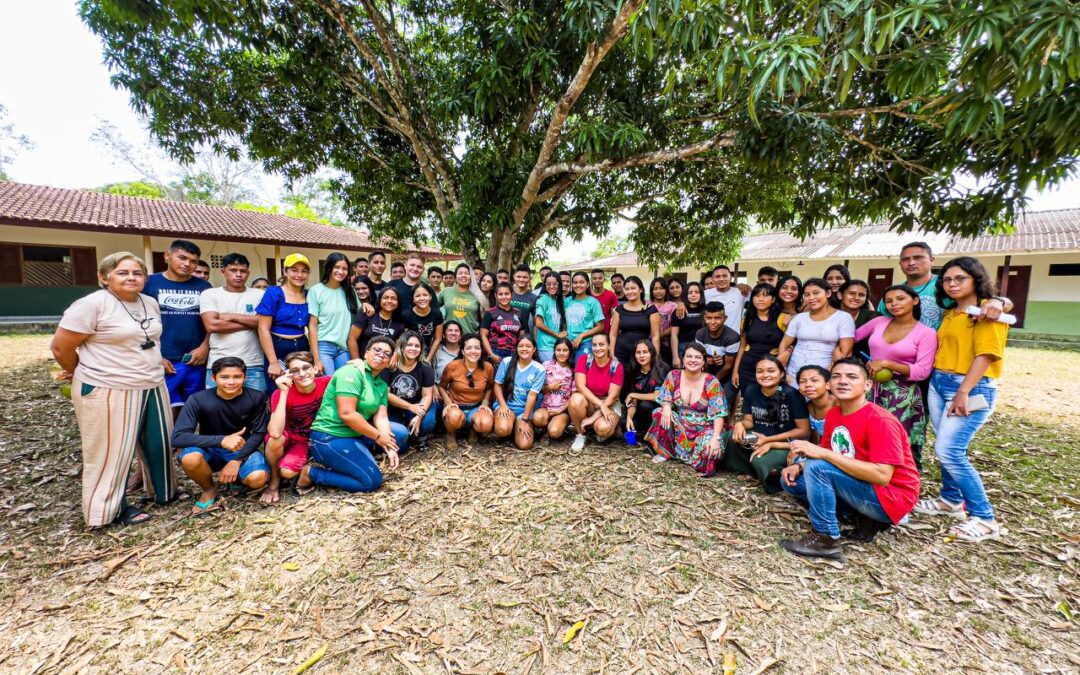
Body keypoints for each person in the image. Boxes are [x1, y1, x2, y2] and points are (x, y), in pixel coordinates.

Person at [51, 252, 176, 527]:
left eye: (137, 273)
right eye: (122, 272)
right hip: (109, 385)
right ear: (103, 277)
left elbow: (150, 339)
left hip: (151, 382)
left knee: (160, 443)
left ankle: (163, 493)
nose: (131, 277)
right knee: (112, 451)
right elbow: (61, 347)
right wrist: (81, 371)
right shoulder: (92, 304)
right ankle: (107, 511)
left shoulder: (149, 303)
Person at [780, 358, 921, 560]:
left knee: (817, 467)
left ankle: (826, 539)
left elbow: (882, 475)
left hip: (890, 496)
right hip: (861, 484)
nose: (843, 381)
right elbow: (831, 452)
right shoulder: (835, 414)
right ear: (829, 384)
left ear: (867, 385)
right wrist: (800, 466)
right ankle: (861, 518)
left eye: (852, 377)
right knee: (792, 481)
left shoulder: (880, 420)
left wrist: (819, 456)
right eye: (836, 376)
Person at [914, 257, 1009, 542]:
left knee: (950, 450)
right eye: (947, 280)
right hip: (939, 382)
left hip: (971, 387)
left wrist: (964, 392)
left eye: (960, 278)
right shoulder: (954, 312)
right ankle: (950, 501)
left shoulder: (988, 313)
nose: (952, 284)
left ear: (976, 279)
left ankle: (985, 518)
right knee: (945, 445)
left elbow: (986, 355)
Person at [295, 336, 408, 494]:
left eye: (387, 354)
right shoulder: (352, 372)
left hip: (355, 434)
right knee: (371, 482)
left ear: (389, 361)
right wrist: (378, 437)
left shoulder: (381, 384)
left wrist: (388, 444)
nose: (381, 355)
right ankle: (312, 473)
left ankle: (355, 458)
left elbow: (381, 417)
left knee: (399, 434)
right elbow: (347, 414)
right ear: (366, 353)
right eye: (377, 350)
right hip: (329, 437)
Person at [857, 285, 938, 470]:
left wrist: (887, 364)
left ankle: (906, 482)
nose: (894, 304)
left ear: (915, 300)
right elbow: (852, 337)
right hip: (870, 389)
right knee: (868, 433)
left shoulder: (926, 333)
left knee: (898, 439)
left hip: (902, 394)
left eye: (900, 298)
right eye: (889, 300)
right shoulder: (879, 322)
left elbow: (922, 371)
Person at [175, 357, 270, 515]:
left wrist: (236, 460)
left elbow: (260, 432)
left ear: (245, 377)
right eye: (224, 377)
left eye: (237, 377)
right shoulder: (198, 399)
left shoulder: (256, 397)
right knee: (190, 458)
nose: (231, 382)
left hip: (241, 448)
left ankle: (237, 479)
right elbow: (178, 437)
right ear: (213, 378)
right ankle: (209, 489)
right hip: (210, 449)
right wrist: (222, 440)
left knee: (257, 478)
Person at [721, 356, 810, 492]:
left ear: (781, 374)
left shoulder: (791, 394)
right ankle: (755, 468)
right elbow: (749, 421)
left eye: (771, 371)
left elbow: (804, 431)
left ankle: (775, 473)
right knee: (729, 437)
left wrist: (768, 440)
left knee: (760, 460)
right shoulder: (752, 390)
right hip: (758, 438)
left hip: (784, 444)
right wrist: (740, 424)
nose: (765, 375)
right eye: (760, 371)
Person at [142, 239, 212, 413]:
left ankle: (185, 440)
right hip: (162, 358)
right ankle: (165, 440)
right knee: (163, 408)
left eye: (193, 261)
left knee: (191, 408)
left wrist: (205, 347)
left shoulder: (204, 287)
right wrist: (155, 355)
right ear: (167, 256)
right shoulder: (148, 284)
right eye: (182, 258)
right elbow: (137, 323)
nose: (188, 264)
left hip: (196, 359)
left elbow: (211, 321)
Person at [645, 342, 727, 475]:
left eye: (697, 357)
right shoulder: (674, 375)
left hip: (704, 429)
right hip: (681, 425)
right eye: (689, 356)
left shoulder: (711, 382)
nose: (693, 360)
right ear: (683, 360)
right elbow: (664, 395)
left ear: (703, 362)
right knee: (659, 413)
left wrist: (715, 438)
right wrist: (666, 407)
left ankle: (698, 459)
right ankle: (666, 452)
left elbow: (719, 414)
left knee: (711, 452)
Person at [261, 351, 329, 504]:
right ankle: (274, 480)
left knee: (288, 471)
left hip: (305, 440)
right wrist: (284, 391)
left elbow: (351, 376)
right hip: (286, 437)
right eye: (295, 371)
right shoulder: (280, 393)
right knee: (275, 439)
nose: (302, 373)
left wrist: (357, 363)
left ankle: (288, 470)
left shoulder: (327, 383)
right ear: (288, 374)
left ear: (315, 369)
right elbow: (275, 432)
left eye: (306, 368)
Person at [200, 253, 266, 391]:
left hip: (253, 363)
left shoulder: (259, 295)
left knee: (255, 406)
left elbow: (264, 323)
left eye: (242, 271)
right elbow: (212, 325)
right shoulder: (210, 294)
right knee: (217, 408)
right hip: (219, 363)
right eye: (233, 270)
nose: (238, 274)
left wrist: (230, 316)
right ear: (223, 271)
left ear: (248, 273)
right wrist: (250, 322)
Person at [779, 278, 855, 384]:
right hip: (794, 375)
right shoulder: (799, 318)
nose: (811, 298)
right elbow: (784, 344)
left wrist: (828, 376)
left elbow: (845, 353)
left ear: (828, 293)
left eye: (816, 293)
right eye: (807, 294)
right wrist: (784, 370)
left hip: (824, 375)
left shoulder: (843, 317)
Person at [256, 253, 310, 388]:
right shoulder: (274, 292)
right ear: (285, 272)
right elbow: (263, 329)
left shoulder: (308, 294)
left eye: (304, 271)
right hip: (278, 348)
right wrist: (273, 362)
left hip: (302, 346)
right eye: (294, 270)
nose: (299, 275)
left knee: (301, 387)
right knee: (278, 388)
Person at [308, 252, 361, 377]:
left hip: (344, 348)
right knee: (328, 384)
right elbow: (312, 326)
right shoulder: (316, 290)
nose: (340, 272)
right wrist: (316, 359)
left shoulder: (349, 291)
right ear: (329, 267)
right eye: (336, 267)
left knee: (345, 384)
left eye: (344, 269)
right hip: (324, 347)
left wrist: (366, 305)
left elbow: (360, 311)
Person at [568, 333, 624, 451]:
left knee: (602, 429)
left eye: (601, 344)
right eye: (594, 345)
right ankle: (580, 435)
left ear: (609, 346)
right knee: (575, 399)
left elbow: (613, 396)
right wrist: (601, 406)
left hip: (610, 403)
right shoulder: (584, 360)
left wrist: (593, 417)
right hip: (591, 401)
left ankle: (604, 427)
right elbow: (580, 386)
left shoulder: (616, 366)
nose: (597, 348)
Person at [439, 333, 496, 449]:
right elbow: (441, 387)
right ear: (463, 351)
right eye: (469, 348)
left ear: (481, 351)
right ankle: (450, 434)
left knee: (486, 423)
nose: (473, 351)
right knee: (454, 417)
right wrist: (448, 402)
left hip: (475, 407)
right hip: (456, 406)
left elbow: (490, 387)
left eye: (477, 348)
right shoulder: (452, 366)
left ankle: (472, 430)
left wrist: (485, 401)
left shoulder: (488, 367)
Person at [382, 331, 438, 449]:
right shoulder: (391, 365)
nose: (413, 348)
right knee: (400, 438)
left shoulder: (425, 366)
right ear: (402, 346)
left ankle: (420, 437)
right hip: (395, 406)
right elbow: (386, 395)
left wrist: (419, 415)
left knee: (427, 422)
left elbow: (427, 395)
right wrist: (410, 407)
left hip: (418, 403)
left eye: (417, 346)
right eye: (409, 345)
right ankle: (409, 436)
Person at [492, 335, 546, 449]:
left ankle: (517, 427)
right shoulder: (507, 362)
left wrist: (525, 420)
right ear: (516, 348)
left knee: (524, 445)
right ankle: (509, 427)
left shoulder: (539, 369)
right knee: (502, 429)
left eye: (528, 346)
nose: (524, 349)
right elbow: (497, 385)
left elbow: (532, 395)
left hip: (523, 410)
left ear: (534, 349)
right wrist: (502, 405)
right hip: (506, 406)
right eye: (521, 346)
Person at [732, 283, 786, 392]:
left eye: (765, 295)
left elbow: (790, 344)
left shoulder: (783, 319)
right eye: (757, 296)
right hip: (747, 367)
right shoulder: (747, 319)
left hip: (771, 368)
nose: (760, 299)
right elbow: (742, 347)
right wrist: (735, 371)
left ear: (773, 299)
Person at [609, 275, 660, 374]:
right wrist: (611, 353)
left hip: (642, 354)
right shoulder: (619, 310)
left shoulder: (651, 310)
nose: (630, 291)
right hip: (621, 353)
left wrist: (655, 356)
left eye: (633, 288)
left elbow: (655, 336)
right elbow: (613, 334)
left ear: (640, 289)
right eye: (627, 289)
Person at [623, 339, 668, 442]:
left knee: (645, 405)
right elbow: (632, 400)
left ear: (651, 353)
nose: (641, 355)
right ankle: (643, 434)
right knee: (624, 423)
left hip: (658, 409)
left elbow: (656, 396)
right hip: (640, 410)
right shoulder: (633, 370)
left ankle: (654, 437)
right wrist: (629, 417)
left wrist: (632, 394)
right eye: (638, 352)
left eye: (645, 352)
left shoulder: (662, 368)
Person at [533, 337, 576, 442]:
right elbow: (536, 390)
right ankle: (545, 428)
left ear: (570, 352)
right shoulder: (546, 365)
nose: (561, 353)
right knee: (537, 419)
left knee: (554, 432)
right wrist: (549, 388)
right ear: (554, 351)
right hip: (546, 407)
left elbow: (574, 395)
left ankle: (555, 429)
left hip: (563, 409)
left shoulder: (574, 369)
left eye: (565, 350)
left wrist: (560, 410)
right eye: (558, 350)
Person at [349, 285, 405, 358]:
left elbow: (398, 347)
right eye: (385, 298)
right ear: (380, 300)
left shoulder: (399, 323)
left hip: (384, 364)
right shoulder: (367, 313)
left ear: (398, 302)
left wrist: (395, 356)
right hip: (363, 361)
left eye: (393, 298)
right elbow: (352, 338)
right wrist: (356, 360)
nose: (389, 301)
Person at [481, 281, 524, 364]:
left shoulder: (518, 313)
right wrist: (491, 354)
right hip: (495, 352)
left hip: (514, 353)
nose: (504, 297)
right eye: (500, 294)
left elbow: (521, 336)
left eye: (507, 294)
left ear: (512, 295)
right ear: (496, 296)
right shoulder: (490, 313)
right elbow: (483, 336)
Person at [566, 272, 605, 358]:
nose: (578, 285)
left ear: (587, 284)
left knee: (581, 369)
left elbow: (601, 326)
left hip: (586, 343)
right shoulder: (567, 301)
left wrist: (581, 336)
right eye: (575, 283)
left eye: (581, 282)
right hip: (568, 343)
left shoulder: (593, 302)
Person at [440, 263, 486, 334]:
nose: (463, 275)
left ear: (471, 277)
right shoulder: (446, 291)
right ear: (455, 277)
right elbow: (431, 308)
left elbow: (484, 319)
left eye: (467, 273)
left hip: (471, 338)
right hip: (450, 336)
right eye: (460, 273)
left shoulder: (478, 295)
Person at [839, 279, 879, 358]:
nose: (856, 297)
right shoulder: (830, 315)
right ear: (840, 295)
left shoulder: (873, 318)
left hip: (865, 365)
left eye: (861, 295)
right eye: (851, 293)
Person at [533, 273, 568, 363]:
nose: (551, 287)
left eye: (555, 284)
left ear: (559, 285)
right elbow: (538, 323)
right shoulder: (542, 299)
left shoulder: (559, 301)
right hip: (545, 346)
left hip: (558, 345)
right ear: (545, 285)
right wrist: (557, 335)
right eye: (548, 284)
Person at [402, 283, 443, 360]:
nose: (422, 298)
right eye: (417, 296)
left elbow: (437, 339)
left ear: (430, 296)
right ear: (413, 299)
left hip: (428, 352)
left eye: (425, 295)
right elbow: (403, 339)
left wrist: (428, 359)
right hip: (409, 353)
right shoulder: (406, 315)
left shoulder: (437, 314)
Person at [671, 281, 706, 367]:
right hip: (683, 347)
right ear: (685, 294)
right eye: (690, 292)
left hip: (703, 347)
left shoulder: (706, 310)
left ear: (701, 294)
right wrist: (675, 357)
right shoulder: (679, 310)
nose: (693, 295)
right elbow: (674, 335)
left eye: (697, 292)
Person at [704, 265, 747, 334]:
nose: (721, 279)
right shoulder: (705, 294)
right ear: (712, 279)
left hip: (734, 338)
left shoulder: (741, 293)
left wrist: (747, 287)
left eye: (725, 276)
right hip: (710, 338)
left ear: (731, 278)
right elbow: (687, 299)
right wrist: (680, 302)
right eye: (717, 276)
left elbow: (760, 295)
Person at [648, 276, 678, 364]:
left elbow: (674, 326)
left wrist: (658, 336)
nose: (658, 291)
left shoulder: (672, 306)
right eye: (655, 289)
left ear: (666, 290)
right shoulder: (647, 304)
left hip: (666, 344)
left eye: (661, 288)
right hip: (648, 343)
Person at [590, 268, 620, 333]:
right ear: (591, 280)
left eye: (600, 278)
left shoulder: (611, 295)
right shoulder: (587, 295)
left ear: (604, 279)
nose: (597, 280)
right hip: (589, 333)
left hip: (607, 333)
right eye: (594, 278)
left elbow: (614, 317)